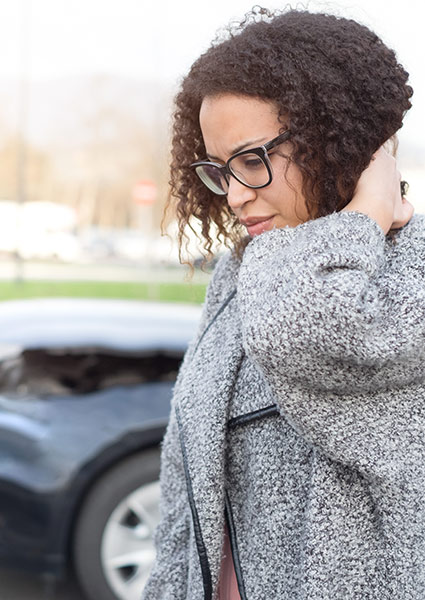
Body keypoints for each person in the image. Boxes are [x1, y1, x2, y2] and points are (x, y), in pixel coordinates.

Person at [142, 7, 425, 600]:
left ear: (337, 139)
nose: (237, 196)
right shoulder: (244, 271)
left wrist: (362, 217)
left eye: (253, 159)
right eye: (221, 170)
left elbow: (310, 333)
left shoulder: (411, 264)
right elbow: (187, 487)